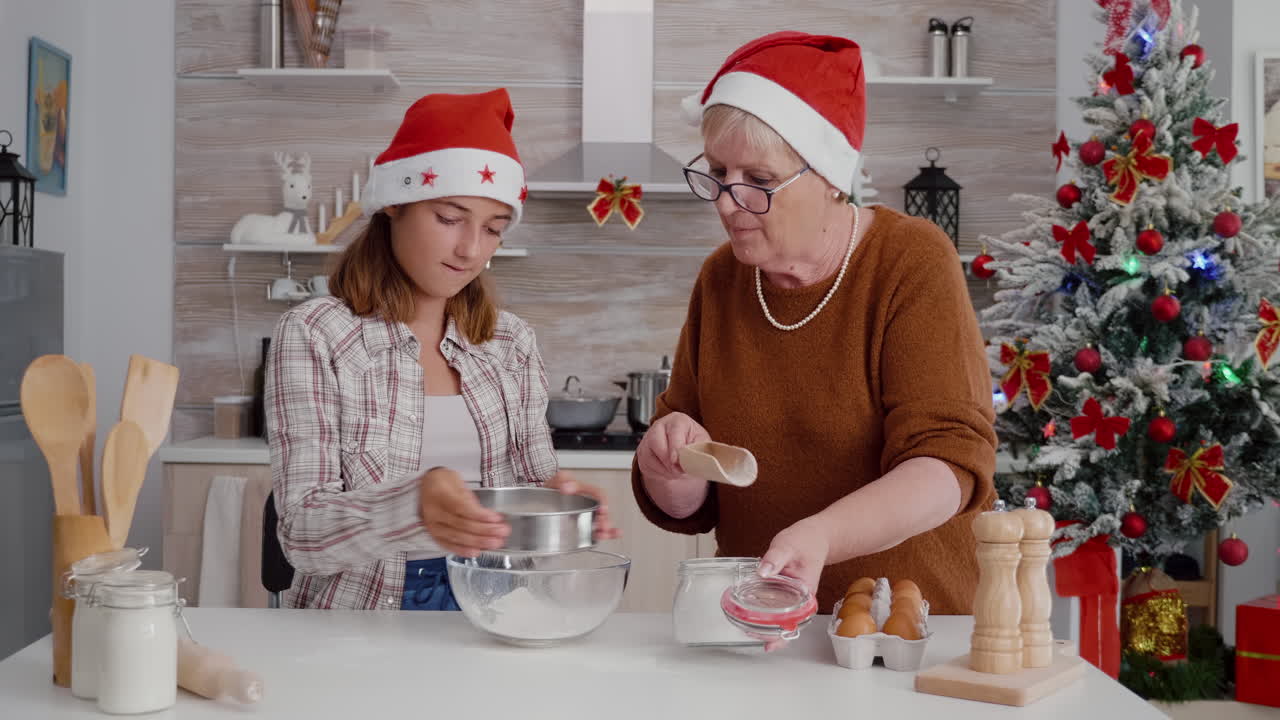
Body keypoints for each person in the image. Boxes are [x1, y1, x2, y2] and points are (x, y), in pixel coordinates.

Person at [632, 33, 997, 621]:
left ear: (829, 176)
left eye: (759, 178)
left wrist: (823, 535)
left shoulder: (910, 261)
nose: (728, 202)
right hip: (761, 626)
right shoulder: (722, 278)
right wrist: (665, 465)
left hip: (906, 626)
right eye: (719, 172)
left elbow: (948, 468)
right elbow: (691, 503)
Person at [267, 89, 617, 611]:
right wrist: (414, 505)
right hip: (360, 617)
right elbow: (301, 535)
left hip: (497, 604)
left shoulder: (510, 342)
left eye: (493, 229)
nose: (471, 249)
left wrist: (559, 499)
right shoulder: (317, 334)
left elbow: (534, 476)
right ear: (395, 206)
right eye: (450, 218)